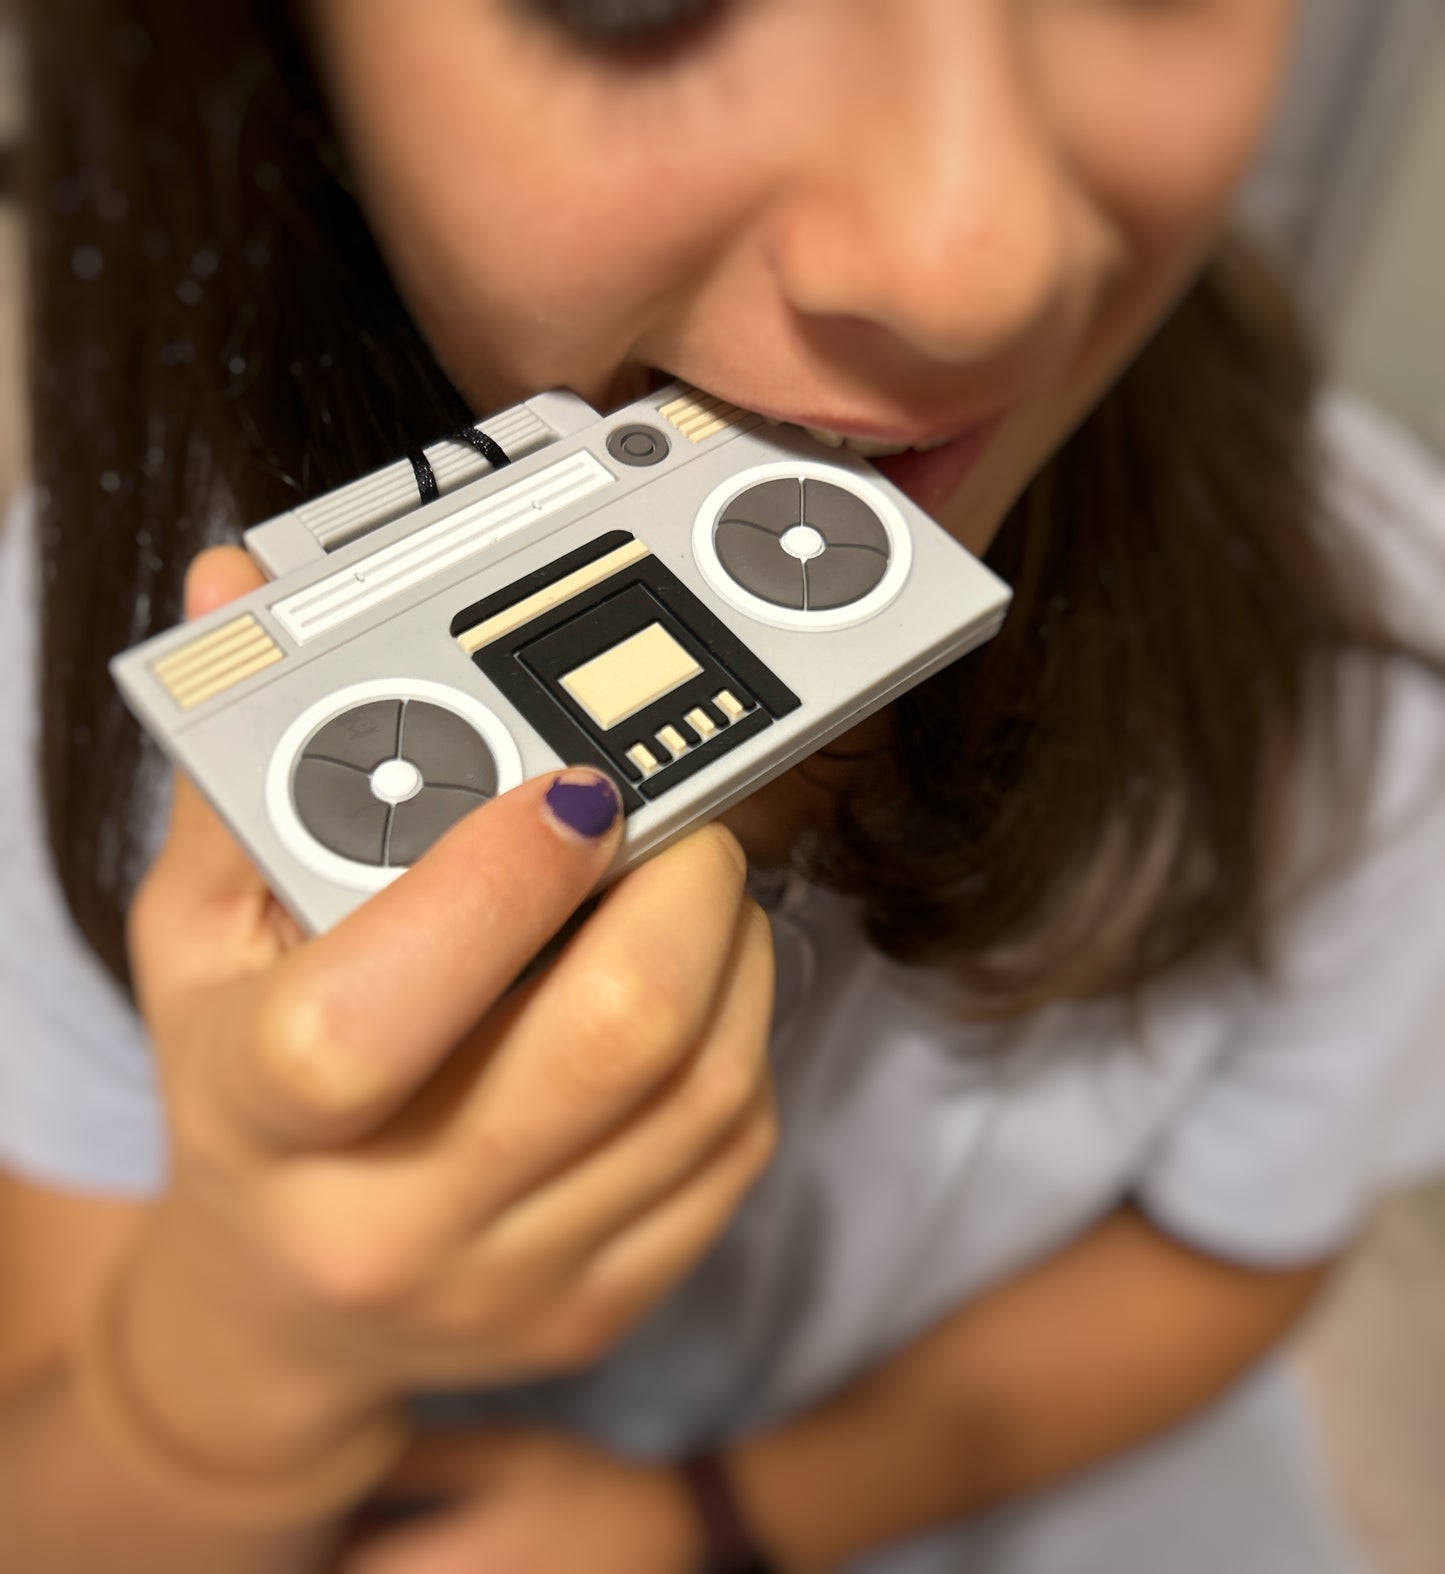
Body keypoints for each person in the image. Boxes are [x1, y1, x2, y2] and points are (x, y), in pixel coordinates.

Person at [3, 1, 1443, 1571]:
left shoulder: (1367, 662)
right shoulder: (112, 659)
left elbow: (1233, 1245)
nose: (974, 260)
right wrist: (238, 1354)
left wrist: (724, 1515)